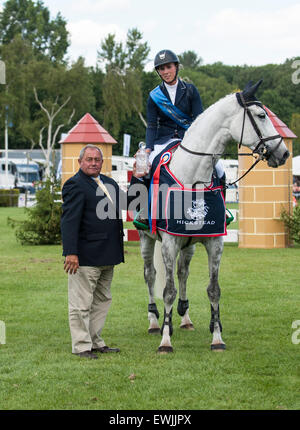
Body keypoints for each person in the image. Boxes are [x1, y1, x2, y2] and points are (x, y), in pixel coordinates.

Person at [61, 144, 145, 359]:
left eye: (97, 159)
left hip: (109, 254)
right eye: (89, 159)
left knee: (101, 301)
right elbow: (69, 222)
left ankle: (95, 341)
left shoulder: (108, 182)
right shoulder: (74, 185)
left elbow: (132, 201)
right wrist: (70, 252)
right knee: (81, 304)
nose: (93, 163)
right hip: (86, 256)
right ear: (80, 162)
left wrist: (137, 176)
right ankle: (81, 346)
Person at [134, 49, 228, 229]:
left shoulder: (191, 90)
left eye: (168, 67)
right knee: (148, 165)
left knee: (219, 166)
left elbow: (199, 119)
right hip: (165, 139)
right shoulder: (154, 96)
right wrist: (148, 150)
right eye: (161, 69)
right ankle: (146, 211)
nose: (165, 72)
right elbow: (152, 125)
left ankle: (221, 207)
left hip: (190, 138)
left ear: (176, 67)